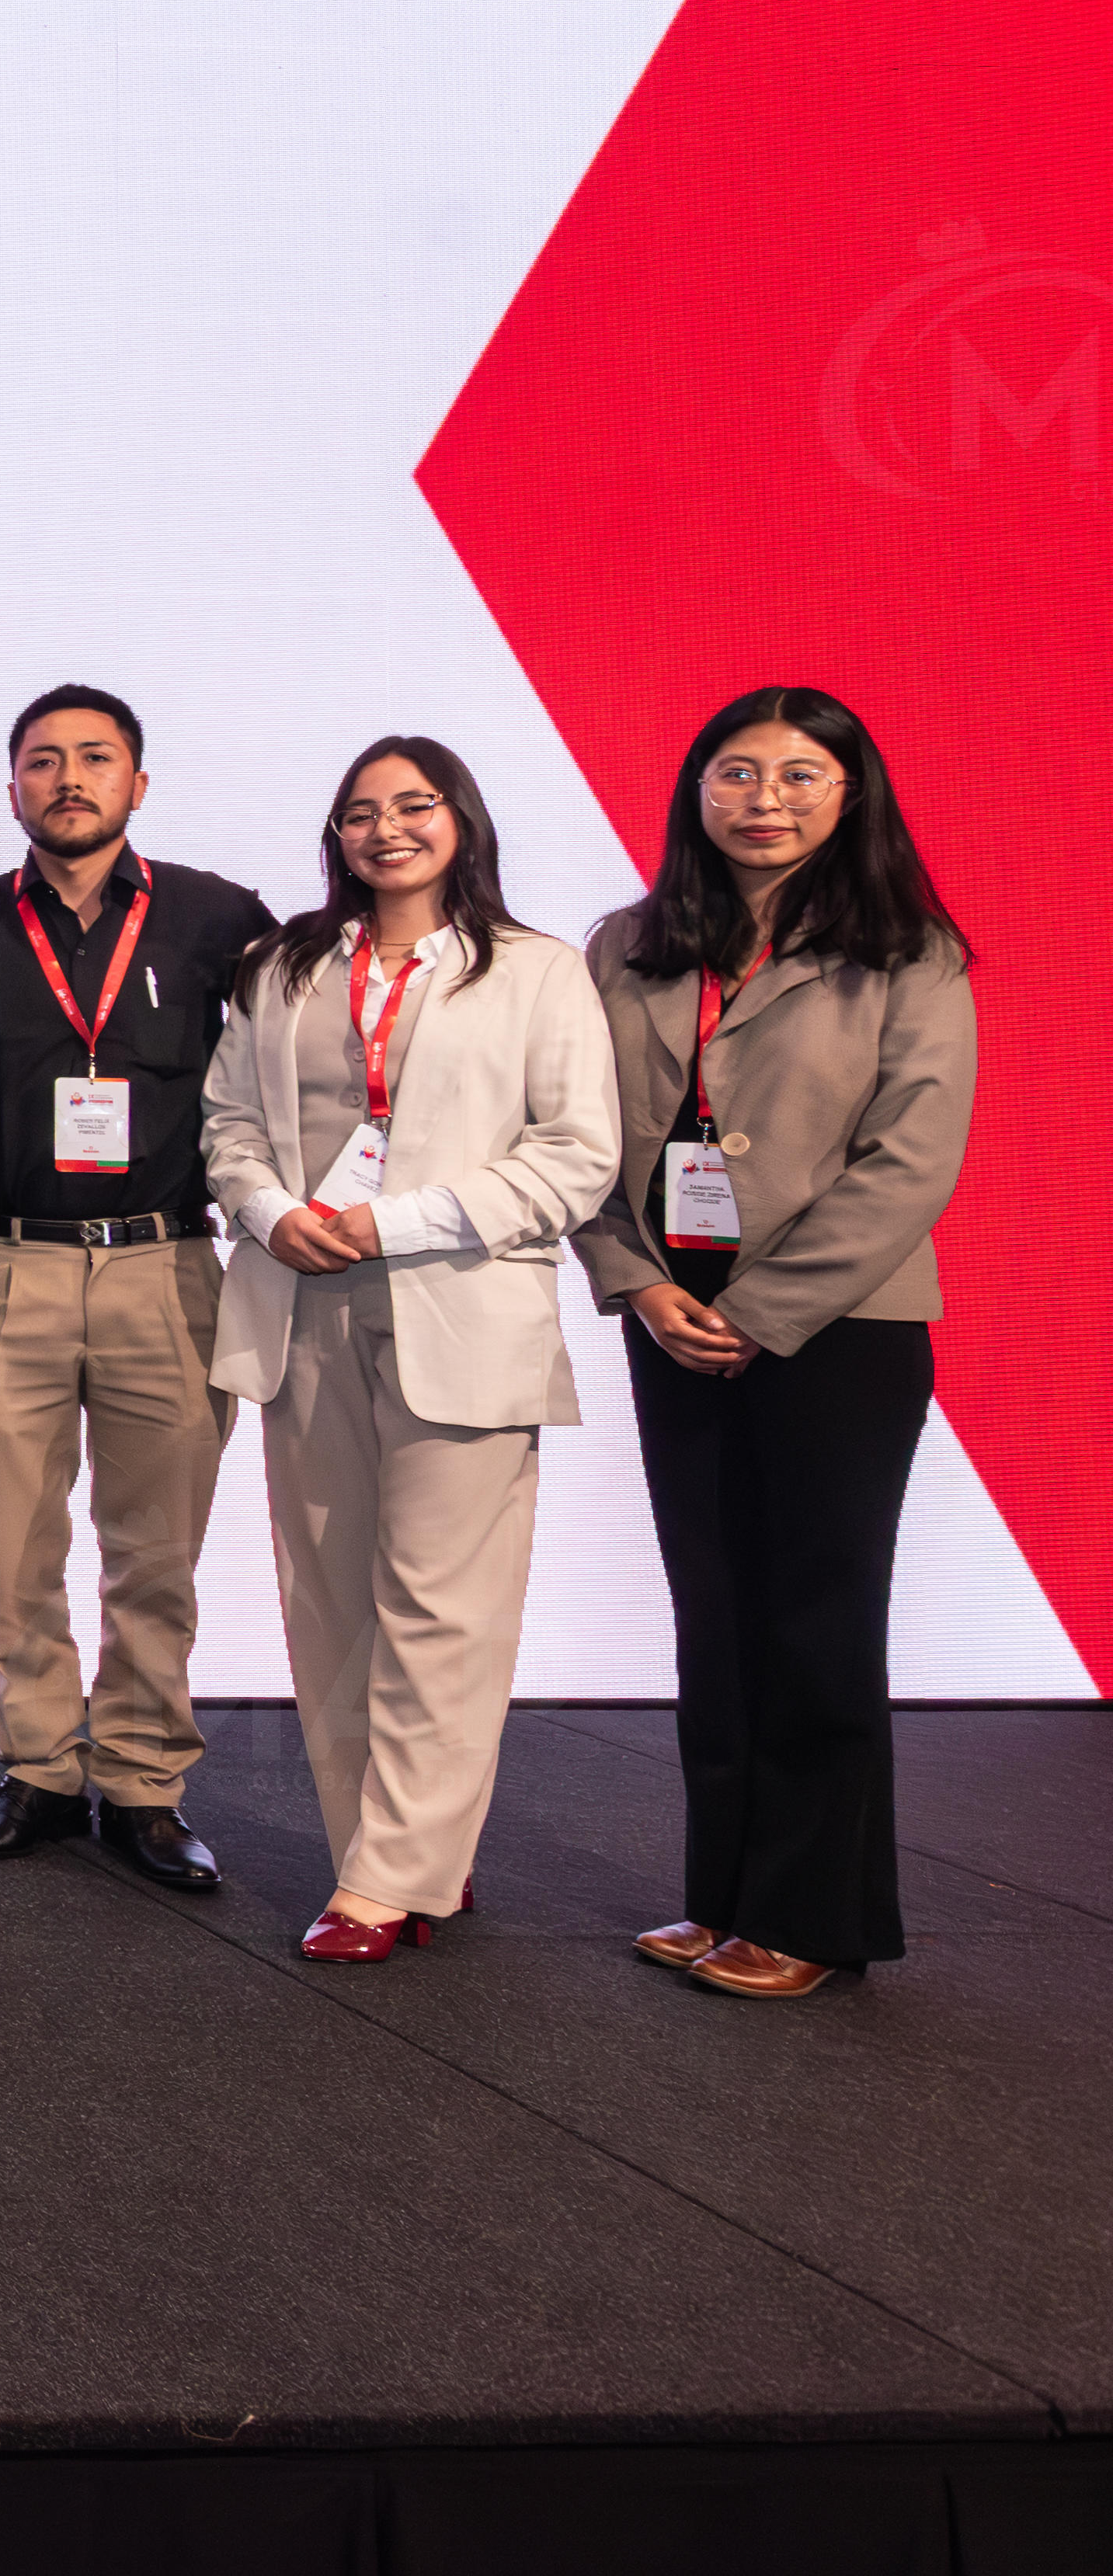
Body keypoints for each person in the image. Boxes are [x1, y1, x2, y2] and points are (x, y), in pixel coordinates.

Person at [574, 689, 972, 2001]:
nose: (766, 800)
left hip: (839, 1329)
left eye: (801, 776)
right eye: (737, 773)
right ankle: (726, 1897)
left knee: (818, 1616)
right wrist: (637, 1283)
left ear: (851, 795)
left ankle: (810, 1917)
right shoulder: (629, 946)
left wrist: (762, 1308)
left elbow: (910, 1160)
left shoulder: (908, 952)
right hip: (671, 1320)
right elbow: (579, 1137)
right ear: (696, 790)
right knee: (717, 1612)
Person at [201, 737, 615, 1964]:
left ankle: (392, 1877)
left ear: (461, 820)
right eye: (361, 813)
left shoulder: (539, 971)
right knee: (328, 1600)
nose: (386, 830)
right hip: (301, 1302)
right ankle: (389, 1855)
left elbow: (576, 1157)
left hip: (461, 1305)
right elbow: (228, 1123)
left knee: (443, 1605)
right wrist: (268, 1211)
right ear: (336, 836)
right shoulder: (282, 966)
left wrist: (401, 1221)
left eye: (414, 806)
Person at [0, 688, 277, 1893]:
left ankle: (142, 1781)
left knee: (156, 1552)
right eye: (43, 761)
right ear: (12, 786)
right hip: (6, 1269)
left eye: (95, 758)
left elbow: (293, 1068)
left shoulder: (219, 918)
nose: (68, 779)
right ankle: (35, 1768)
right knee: (12, 1547)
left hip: (164, 1265)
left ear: (139, 781)